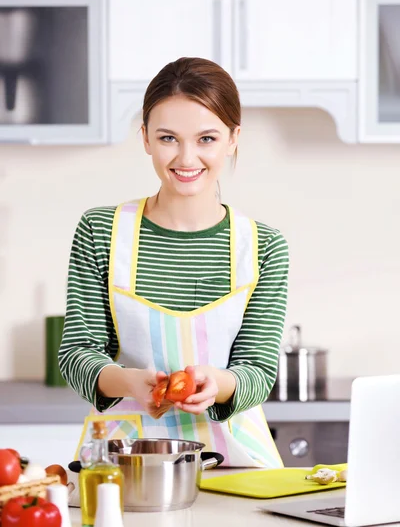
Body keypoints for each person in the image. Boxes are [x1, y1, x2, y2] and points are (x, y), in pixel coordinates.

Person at [59, 57, 289, 468]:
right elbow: (78, 353)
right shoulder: (101, 231)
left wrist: (216, 384)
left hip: (233, 459)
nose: (186, 158)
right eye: (168, 138)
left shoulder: (263, 246)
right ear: (145, 137)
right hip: (124, 457)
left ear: (233, 139)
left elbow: (257, 371)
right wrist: (131, 382)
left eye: (206, 139)